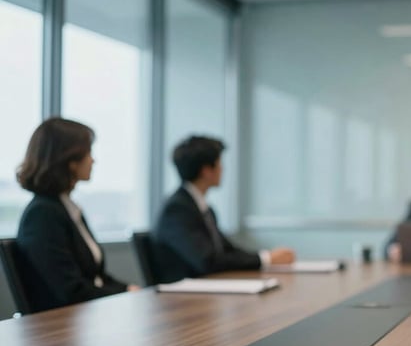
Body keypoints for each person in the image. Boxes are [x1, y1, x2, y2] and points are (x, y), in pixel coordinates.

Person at [15, 118, 140, 312]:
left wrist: (128, 289)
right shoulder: (43, 214)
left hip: (85, 318)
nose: (93, 160)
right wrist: (125, 295)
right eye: (88, 153)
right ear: (69, 159)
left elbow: (96, 277)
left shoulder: (67, 208)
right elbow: (70, 291)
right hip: (62, 328)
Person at [152, 135, 294, 283]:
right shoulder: (177, 209)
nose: (222, 169)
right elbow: (208, 261)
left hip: (206, 288)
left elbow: (227, 250)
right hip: (183, 299)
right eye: (219, 164)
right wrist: (266, 259)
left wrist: (266, 257)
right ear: (207, 171)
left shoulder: (202, 208)